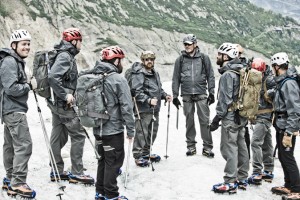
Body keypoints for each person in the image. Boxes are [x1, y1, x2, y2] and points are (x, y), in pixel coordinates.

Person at [47, 28, 94, 184]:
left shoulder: (63, 54)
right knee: (79, 135)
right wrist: (65, 94)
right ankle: (77, 172)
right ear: (74, 41)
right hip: (63, 104)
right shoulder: (65, 56)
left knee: (58, 136)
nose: (81, 44)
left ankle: (56, 170)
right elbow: (53, 77)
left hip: (56, 103)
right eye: (80, 41)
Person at [93, 46, 135, 200]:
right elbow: (126, 106)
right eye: (121, 60)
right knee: (114, 161)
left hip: (97, 128)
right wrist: (131, 130)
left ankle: (100, 192)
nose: (121, 63)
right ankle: (111, 195)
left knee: (103, 160)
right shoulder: (118, 79)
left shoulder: (93, 76)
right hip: (113, 130)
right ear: (116, 60)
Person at [0, 29, 37, 198]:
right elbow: (11, 88)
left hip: (10, 110)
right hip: (14, 110)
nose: (27, 47)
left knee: (11, 145)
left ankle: (10, 179)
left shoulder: (15, 61)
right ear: (13, 45)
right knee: (24, 145)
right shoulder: (10, 61)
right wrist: (29, 86)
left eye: (28, 44)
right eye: (23, 44)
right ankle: (18, 183)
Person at [211, 43, 249, 194]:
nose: (217, 56)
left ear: (226, 57)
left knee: (229, 148)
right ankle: (242, 177)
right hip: (241, 117)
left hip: (230, 118)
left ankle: (230, 181)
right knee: (242, 146)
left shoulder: (228, 74)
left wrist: (216, 118)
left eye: (219, 54)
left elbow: (224, 100)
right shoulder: (241, 70)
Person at [172, 34, 215, 157]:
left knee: (205, 121)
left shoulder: (204, 58)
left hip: (201, 93)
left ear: (195, 44)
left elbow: (210, 76)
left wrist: (211, 92)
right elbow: (175, 78)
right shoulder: (180, 60)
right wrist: (175, 96)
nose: (187, 46)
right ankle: (191, 147)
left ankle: (207, 147)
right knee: (189, 121)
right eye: (185, 44)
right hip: (186, 94)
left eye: (189, 44)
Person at [131, 51, 172, 167]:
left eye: (151, 59)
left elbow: (158, 89)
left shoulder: (155, 73)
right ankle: (138, 156)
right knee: (141, 133)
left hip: (155, 109)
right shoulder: (139, 74)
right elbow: (136, 92)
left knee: (152, 133)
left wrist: (165, 95)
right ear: (143, 61)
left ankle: (146, 153)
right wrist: (148, 100)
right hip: (143, 110)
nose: (149, 61)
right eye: (147, 59)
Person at [268, 52, 300, 200]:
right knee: (282, 156)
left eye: (273, 66)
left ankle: (297, 190)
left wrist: (289, 132)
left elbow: (295, 110)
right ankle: (288, 185)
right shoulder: (283, 82)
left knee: (287, 157)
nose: (272, 69)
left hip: (287, 127)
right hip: (281, 125)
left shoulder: (289, 83)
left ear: (277, 66)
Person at [247, 58, 276, 185]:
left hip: (265, 116)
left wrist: (269, 94)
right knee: (267, 143)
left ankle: (257, 172)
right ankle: (268, 170)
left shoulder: (269, 80)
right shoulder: (253, 78)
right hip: (259, 116)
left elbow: (277, 93)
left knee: (255, 142)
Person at [234, 43, 251, 159]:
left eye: (239, 53)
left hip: (243, 102)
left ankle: (246, 156)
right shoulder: (244, 65)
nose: (237, 55)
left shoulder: (245, 67)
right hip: (238, 101)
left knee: (243, 130)